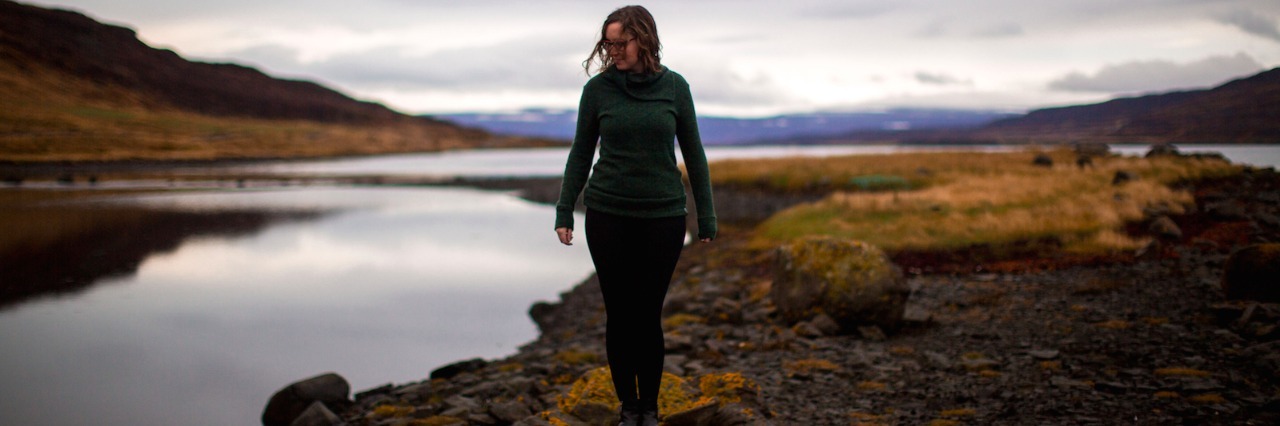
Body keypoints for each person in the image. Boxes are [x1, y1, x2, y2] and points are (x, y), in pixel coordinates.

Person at [554, 5, 716, 426]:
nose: (612, 51)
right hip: (607, 214)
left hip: (663, 217)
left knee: (647, 314)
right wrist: (564, 210)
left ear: (644, 39)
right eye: (607, 44)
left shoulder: (676, 88)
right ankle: (629, 407)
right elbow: (580, 153)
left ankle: (651, 407)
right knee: (620, 313)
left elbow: (694, 154)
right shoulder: (598, 91)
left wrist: (707, 216)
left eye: (620, 42)